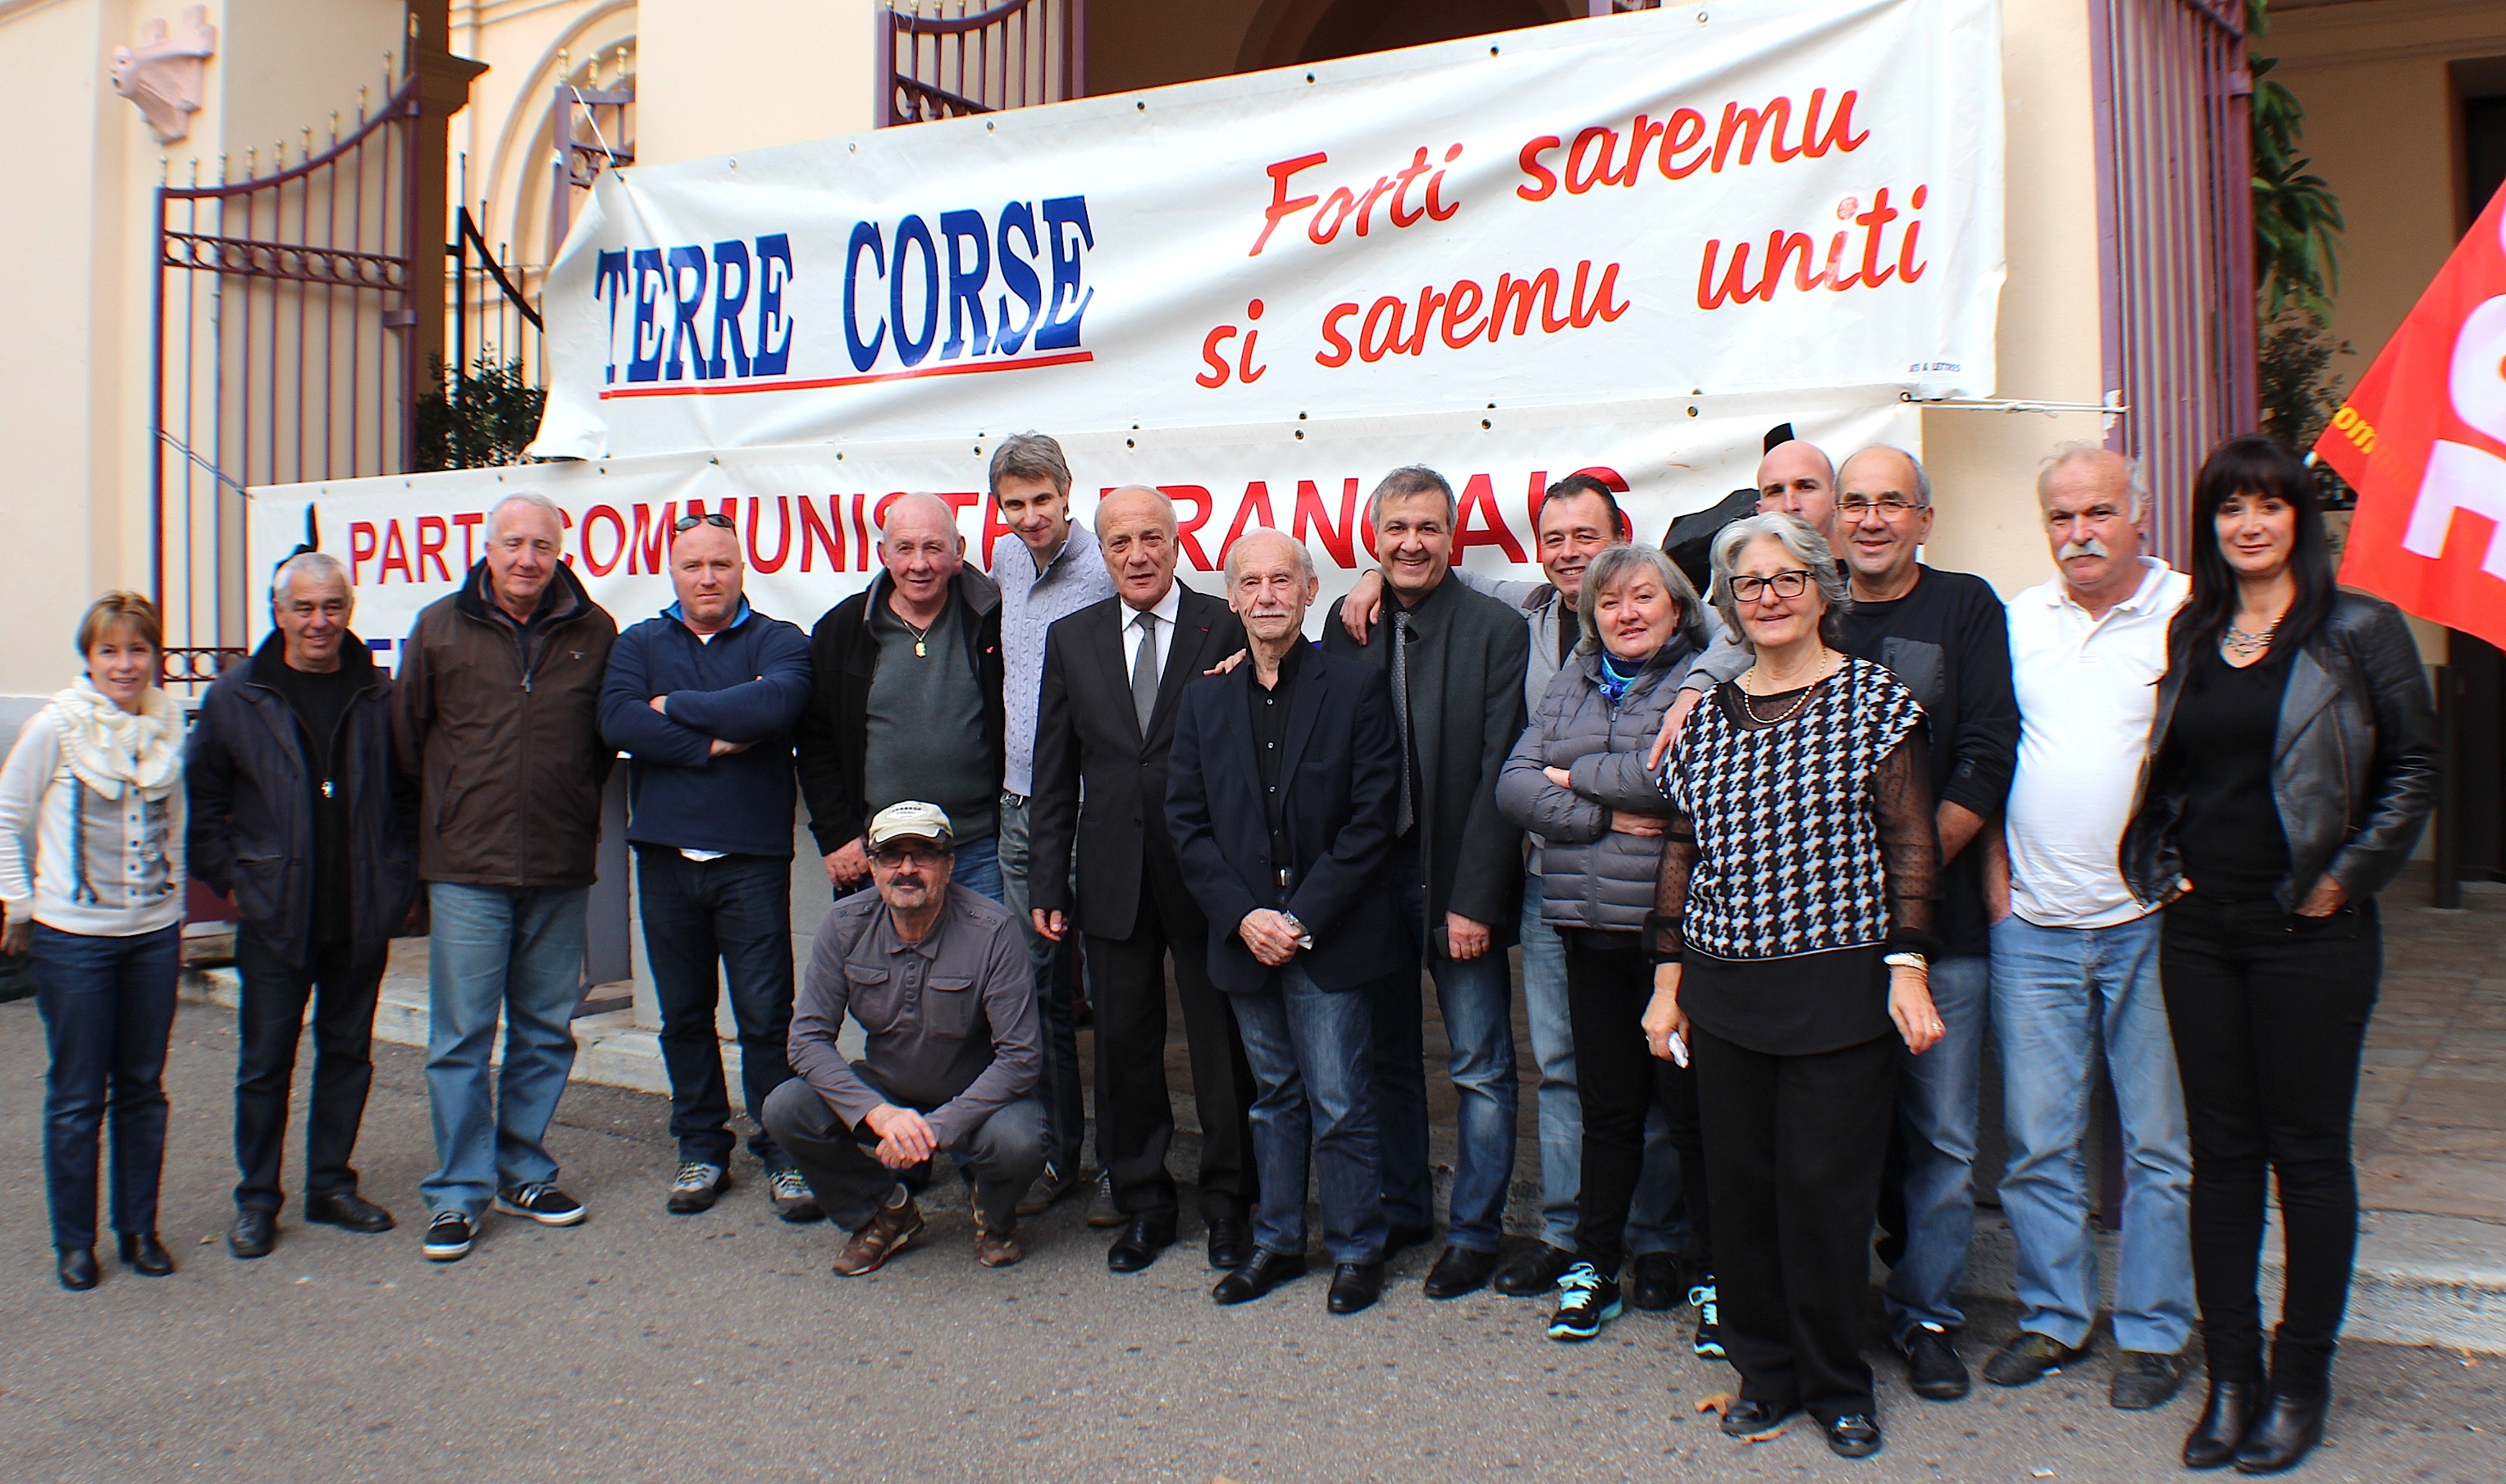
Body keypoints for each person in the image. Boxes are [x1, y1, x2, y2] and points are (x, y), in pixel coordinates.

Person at [2121, 435, 2436, 1474]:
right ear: (2211, 528)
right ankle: (2233, 1384)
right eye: (2228, 508)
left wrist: (2343, 876)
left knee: (2305, 1158)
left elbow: (2411, 770)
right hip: (2202, 932)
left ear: (2300, 515)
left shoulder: (2358, 630)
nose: (2248, 523)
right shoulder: (2196, 627)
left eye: (2267, 504)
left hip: (2312, 931)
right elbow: (2174, 772)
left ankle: (2300, 1379)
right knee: (2220, 1160)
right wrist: (2164, 864)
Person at [1343, 476, 1693, 1309]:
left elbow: (1662, 754)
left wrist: (1486, 882)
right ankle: (1575, 1238)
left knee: (1642, 1069)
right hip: (1549, 884)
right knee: (1569, 1068)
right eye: (1556, 537)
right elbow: (1518, 779)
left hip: (1641, 895)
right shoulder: (1526, 611)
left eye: (1587, 537)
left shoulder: (1677, 625)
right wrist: (1366, 579)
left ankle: (1658, 1244)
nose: (1571, 553)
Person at [1647, 514, 1943, 1459]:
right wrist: (1668, 984)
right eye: (1748, 584)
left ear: (1822, 589)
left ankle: (1835, 1383)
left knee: (1824, 1194)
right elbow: (1681, 855)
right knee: (1740, 1194)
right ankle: (1763, 1372)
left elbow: (1909, 841)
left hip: (1840, 992)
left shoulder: (1872, 701)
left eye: (1786, 579)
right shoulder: (1708, 717)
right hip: (1726, 993)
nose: (1767, 597)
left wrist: (1907, 963)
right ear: (1727, 606)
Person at [1989, 445, 2198, 1404]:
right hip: (2031, 921)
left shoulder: (2188, 612)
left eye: (2097, 513)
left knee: (2157, 1144)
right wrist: (1994, 875)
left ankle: (2154, 1333)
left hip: (2149, 919)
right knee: (2038, 1141)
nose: (2078, 534)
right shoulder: (2020, 618)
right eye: (2060, 517)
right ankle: (2053, 1320)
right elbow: (1988, 750)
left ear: (2137, 517)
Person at [1821, 447, 2020, 1402]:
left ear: (1923, 520)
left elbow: (1986, 751)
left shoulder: (1964, 607)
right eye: (1853, 502)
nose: (1869, 519)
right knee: (1836, 1137)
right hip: (1820, 939)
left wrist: (1903, 872)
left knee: (1941, 1136)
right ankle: (1831, 1321)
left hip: (1941, 933)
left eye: (1889, 503)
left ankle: (1927, 1315)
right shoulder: (1805, 612)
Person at [1167, 529, 1405, 1314]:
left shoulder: (1355, 687)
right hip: (1244, 939)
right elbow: (1187, 824)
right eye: (1250, 582)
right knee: (1272, 1096)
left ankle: (1356, 1247)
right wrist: (1244, 917)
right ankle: (1275, 1243)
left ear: (1310, 592)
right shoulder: (1203, 698)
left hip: (1325, 935)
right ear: (1231, 597)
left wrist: (1297, 916)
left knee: (1340, 1099)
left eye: (1282, 580)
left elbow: (1372, 820)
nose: (1265, 595)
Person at [1029, 486, 1262, 1274]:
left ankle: (1230, 1204)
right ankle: (1143, 1202)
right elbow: (1054, 772)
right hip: (1110, 875)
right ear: (1101, 551)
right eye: (1120, 541)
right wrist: (1046, 885)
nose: (1137, 554)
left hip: (1208, 877)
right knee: (1124, 1050)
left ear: (1176, 541)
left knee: (1218, 1046)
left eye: (1151, 538)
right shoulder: (1072, 637)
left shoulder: (1224, 624)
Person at [1495, 545, 1712, 1345]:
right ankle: (1594, 1265)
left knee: (1690, 1117)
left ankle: (1712, 1272)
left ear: (1678, 607)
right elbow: (1514, 785)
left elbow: (1681, 781)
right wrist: (1603, 811)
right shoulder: (1571, 682)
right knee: (1609, 1109)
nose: (1624, 613)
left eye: (1641, 598)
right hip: (1586, 930)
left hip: (1675, 940)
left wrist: (1572, 777)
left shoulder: (1702, 680)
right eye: (1608, 602)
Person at [1320, 466, 1529, 1300]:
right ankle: (1404, 1207)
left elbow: (1497, 774)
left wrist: (1474, 897)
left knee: (1479, 1063)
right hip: (1369, 887)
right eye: (1396, 529)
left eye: (1429, 528)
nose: (1412, 543)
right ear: (1374, 538)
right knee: (1387, 1058)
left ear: (1454, 537)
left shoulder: (1494, 630)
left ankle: (1476, 1233)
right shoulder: (1347, 626)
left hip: (1453, 880)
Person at [394, 491, 618, 1263]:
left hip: (557, 860)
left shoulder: (594, 630)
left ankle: (522, 1169)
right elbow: (406, 739)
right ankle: (457, 1191)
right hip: (466, 865)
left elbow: (597, 746)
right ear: (487, 546)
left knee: (545, 1029)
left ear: (562, 551)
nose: (527, 559)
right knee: (460, 1036)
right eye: (513, 543)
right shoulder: (439, 627)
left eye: (542, 546)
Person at [188, 552, 417, 1259]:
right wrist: (236, 882)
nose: (319, 622)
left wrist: (397, 881)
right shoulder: (238, 694)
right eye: (304, 608)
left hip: (357, 910)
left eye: (332, 607)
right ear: (277, 610)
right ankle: (257, 1199)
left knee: (347, 1054)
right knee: (265, 1063)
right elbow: (204, 804)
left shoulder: (380, 694)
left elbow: (408, 796)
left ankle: (330, 1184)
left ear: (349, 609)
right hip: (275, 913)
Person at [599, 513, 818, 1220]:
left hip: (750, 859)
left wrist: (677, 709)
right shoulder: (638, 642)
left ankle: (784, 1150)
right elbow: (620, 721)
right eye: (693, 564)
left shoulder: (779, 641)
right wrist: (715, 742)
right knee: (683, 1015)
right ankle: (700, 1147)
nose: (707, 577)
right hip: (665, 858)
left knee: (765, 1015)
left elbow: (777, 701)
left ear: (741, 569)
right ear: (673, 570)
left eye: (720, 564)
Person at [762, 801, 1046, 1274]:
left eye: (924, 855)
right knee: (786, 1107)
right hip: (885, 1092)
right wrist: (877, 1113)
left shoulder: (994, 931)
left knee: (1022, 1138)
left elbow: (1021, 1059)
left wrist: (936, 1128)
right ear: (872, 865)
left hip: (974, 1100)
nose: (907, 869)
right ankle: (885, 1213)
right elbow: (807, 1040)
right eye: (892, 856)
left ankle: (994, 1218)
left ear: (950, 865)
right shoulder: (844, 924)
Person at [0, 592, 187, 1292]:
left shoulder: (168, 725)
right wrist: (20, 903)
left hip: (151, 937)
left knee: (143, 1087)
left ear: (153, 657)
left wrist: (172, 908)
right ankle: (75, 1242)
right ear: (90, 657)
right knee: (78, 1094)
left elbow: (177, 828)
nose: (124, 663)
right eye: (110, 650)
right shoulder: (58, 726)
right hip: (74, 940)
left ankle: (139, 1228)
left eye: (137, 649)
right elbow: (5, 816)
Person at [986, 433, 1116, 1218]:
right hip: (1021, 814)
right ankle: (1056, 1155)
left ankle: (1118, 1166)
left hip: (1097, 810)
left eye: (1043, 499)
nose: (1031, 516)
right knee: (1037, 998)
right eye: (1015, 503)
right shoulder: (1001, 562)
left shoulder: (1110, 565)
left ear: (1068, 490)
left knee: (1116, 993)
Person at [797, 492, 1006, 903]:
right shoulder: (844, 630)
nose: (919, 564)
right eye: (905, 548)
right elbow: (816, 743)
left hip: (980, 850)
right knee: (878, 969)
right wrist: (837, 836)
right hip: (879, 854)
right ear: (883, 554)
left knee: (985, 967)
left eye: (934, 547)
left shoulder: (992, 621)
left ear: (959, 551)